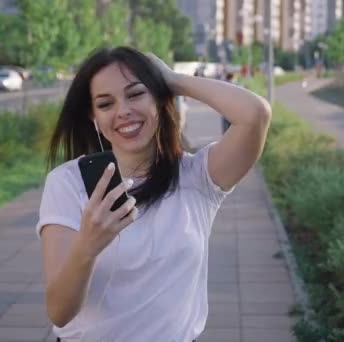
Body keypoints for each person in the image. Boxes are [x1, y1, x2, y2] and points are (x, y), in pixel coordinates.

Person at [37, 46, 271, 341]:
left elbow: (256, 114)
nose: (123, 111)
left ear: (159, 99)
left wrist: (173, 80)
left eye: (136, 94)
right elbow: (59, 311)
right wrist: (87, 246)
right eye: (106, 104)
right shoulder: (68, 184)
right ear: (93, 117)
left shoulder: (197, 177)